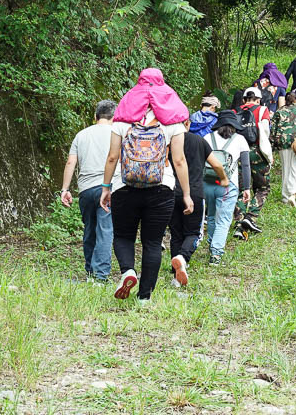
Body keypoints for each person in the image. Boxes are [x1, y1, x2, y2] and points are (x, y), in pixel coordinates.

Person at [99, 68, 194, 303]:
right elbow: (179, 160)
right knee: (152, 242)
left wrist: (105, 187)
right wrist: (188, 194)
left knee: (123, 236)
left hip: (125, 186)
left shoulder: (122, 117)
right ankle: (144, 297)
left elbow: (112, 157)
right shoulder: (173, 120)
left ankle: (128, 271)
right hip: (161, 187)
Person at [59, 100, 117, 282]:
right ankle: (101, 275)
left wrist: (65, 189)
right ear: (114, 118)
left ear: (95, 117)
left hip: (86, 189)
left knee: (89, 230)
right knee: (105, 230)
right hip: (108, 188)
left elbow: (70, 163)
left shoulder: (81, 135)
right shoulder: (117, 134)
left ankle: (90, 271)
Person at [169, 119, 227, 287]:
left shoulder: (169, 141)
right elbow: (216, 164)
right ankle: (183, 258)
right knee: (194, 233)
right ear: (187, 123)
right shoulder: (199, 141)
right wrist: (223, 179)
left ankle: (176, 277)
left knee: (176, 234)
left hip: (171, 192)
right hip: (194, 193)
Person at [203, 110, 251, 264]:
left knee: (211, 216)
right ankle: (216, 254)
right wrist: (247, 188)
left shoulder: (207, 138)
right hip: (228, 185)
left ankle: (212, 245)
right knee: (223, 219)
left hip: (208, 183)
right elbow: (245, 165)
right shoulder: (240, 140)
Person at [234, 87, 272, 236]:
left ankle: (239, 223)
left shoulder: (235, 112)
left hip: (239, 153)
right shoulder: (263, 110)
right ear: (258, 99)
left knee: (242, 188)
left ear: (243, 100)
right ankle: (250, 216)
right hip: (257, 152)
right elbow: (265, 132)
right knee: (262, 187)